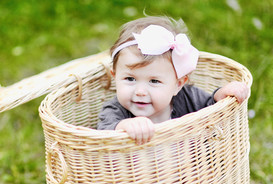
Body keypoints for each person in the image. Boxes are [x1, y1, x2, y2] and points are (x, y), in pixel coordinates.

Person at [97, 16, 249, 145]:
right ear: (114, 75)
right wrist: (124, 126)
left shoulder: (187, 97)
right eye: (130, 79)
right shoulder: (115, 110)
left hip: (186, 173)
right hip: (138, 178)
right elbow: (104, 133)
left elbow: (210, 109)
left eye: (154, 81)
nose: (140, 91)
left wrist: (221, 94)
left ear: (178, 84)